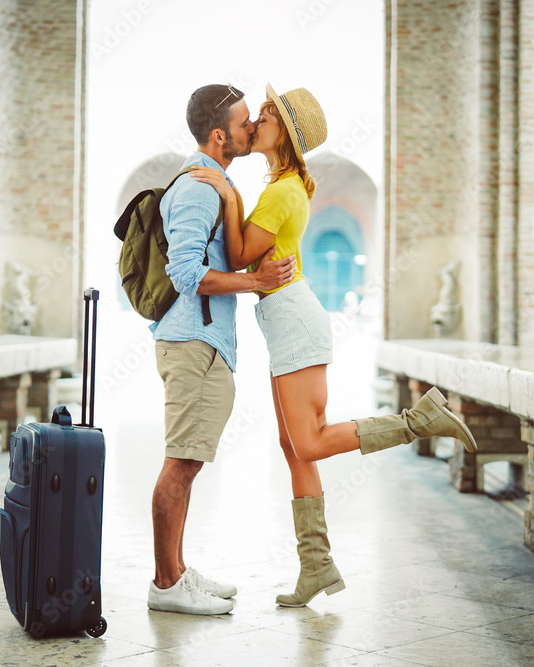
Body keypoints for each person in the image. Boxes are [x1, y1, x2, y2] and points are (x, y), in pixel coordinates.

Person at [191, 84, 479, 608]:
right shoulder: (283, 185)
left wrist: (228, 194)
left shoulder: (279, 192)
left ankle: (422, 420)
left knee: (313, 441)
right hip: (285, 322)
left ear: (286, 134)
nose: (254, 122)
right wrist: (233, 193)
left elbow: (234, 257)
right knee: (293, 446)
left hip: (294, 322)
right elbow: (250, 261)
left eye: (265, 117)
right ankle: (317, 567)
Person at [146, 84, 298, 616]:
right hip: (192, 341)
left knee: (187, 462)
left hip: (204, 342)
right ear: (218, 135)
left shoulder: (219, 184)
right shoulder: (198, 189)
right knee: (180, 464)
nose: (250, 129)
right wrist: (254, 282)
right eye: (241, 124)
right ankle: (166, 584)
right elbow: (187, 274)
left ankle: (177, 572)